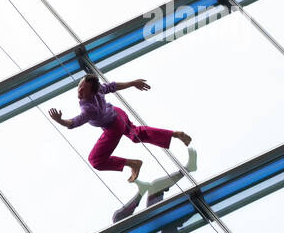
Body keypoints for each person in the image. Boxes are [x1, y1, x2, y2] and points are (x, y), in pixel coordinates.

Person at [49, 75, 190, 182]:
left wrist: (59, 120)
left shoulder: (89, 109)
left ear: (92, 92)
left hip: (113, 126)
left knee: (95, 160)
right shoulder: (99, 90)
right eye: (79, 86)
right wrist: (133, 83)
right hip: (118, 114)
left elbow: (73, 122)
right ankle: (175, 134)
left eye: (83, 90)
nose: (79, 91)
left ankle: (133, 163)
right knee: (136, 134)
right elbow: (113, 86)